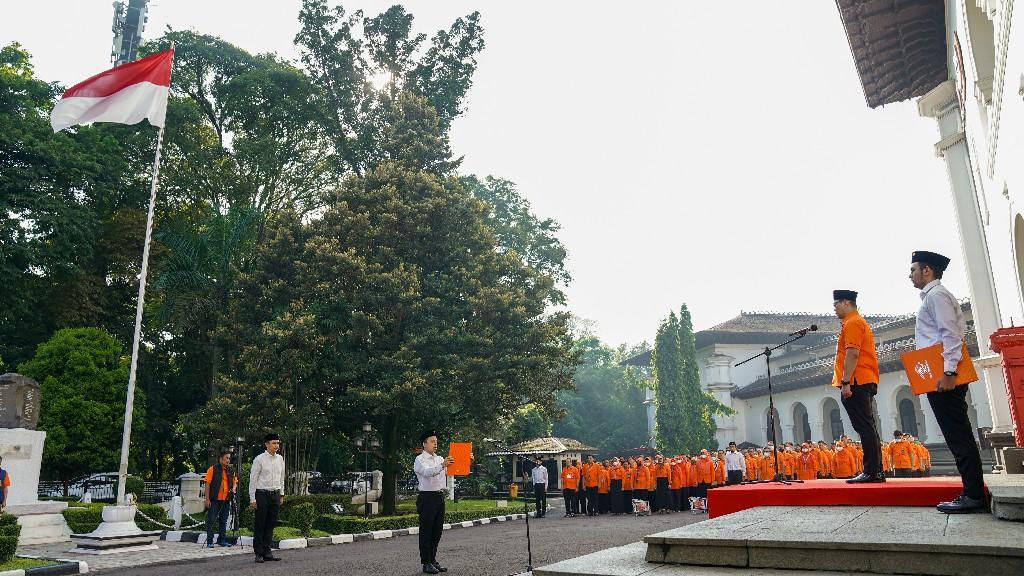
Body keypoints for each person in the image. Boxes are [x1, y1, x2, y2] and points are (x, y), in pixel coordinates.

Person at [910, 251, 985, 513]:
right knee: (957, 435)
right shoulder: (933, 296)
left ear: (927, 270)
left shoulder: (937, 296)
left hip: (945, 376)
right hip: (939, 374)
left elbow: (950, 334)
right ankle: (971, 492)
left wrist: (950, 372)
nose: (910, 275)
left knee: (958, 435)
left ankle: (973, 496)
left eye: (913, 269)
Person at [831, 289, 885, 484]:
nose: (834, 309)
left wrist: (846, 382)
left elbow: (852, 354)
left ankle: (871, 471)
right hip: (862, 380)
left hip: (856, 381)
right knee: (868, 426)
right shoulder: (855, 322)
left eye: (836, 304)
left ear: (846, 303)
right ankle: (875, 470)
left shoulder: (853, 322)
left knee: (864, 427)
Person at [414, 431, 456, 574]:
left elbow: (452, 470)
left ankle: (432, 560)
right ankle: (426, 563)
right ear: (424, 444)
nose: (435, 444)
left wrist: (467, 461)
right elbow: (427, 472)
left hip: (439, 497)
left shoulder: (440, 459)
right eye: (432, 441)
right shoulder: (419, 460)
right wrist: (442, 465)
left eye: (436, 441)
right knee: (426, 531)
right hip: (427, 498)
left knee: (437, 531)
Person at [249, 433, 285, 564]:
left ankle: (267, 552)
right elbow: (253, 479)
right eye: (274, 443)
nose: (277, 445)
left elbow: (282, 477)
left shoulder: (280, 459)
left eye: (278, 443)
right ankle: (259, 553)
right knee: (260, 524)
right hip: (262, 494)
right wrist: (252, 498)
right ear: (267, 444)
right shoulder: (259, 459)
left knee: (271, 524)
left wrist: (282, 494)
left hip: (275, 494)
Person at [204, 450, 238, 548]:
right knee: (211, 520)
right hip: (214, 500)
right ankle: (210, 541)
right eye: (226, 458)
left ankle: (221, 540)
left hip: (226, 500)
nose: (228, 460)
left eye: (229, 458)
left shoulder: (231, 470)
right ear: (220, 459)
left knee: (223, 521)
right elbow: (207, 484)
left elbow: (235, 482)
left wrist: (234, 489)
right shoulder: (212, 469)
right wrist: (207, 499)